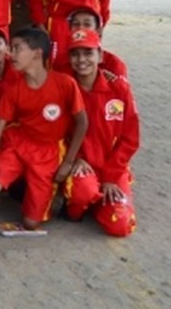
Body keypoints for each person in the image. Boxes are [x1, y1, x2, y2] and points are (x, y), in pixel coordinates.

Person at [0, 28, 88, 231]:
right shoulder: (14, 89)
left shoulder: (65, 84)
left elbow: (82, 122)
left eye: (17, 49)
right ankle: (8, 184)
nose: (10, 54)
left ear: (37, 54)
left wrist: (69, 161)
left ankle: (22, 186)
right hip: (17, 143)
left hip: (48, 152)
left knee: (31, 223)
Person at [62, 29, 139, 237]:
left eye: (88, 53)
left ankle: (100, 199)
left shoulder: (119, 89)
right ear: (69, 58)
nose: (81, 60)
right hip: (81, 164)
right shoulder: (64, 88)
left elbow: (130, 139)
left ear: (100, 55)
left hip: (112, 168)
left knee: (120, 226)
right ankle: (79, 204)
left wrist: (111, 177)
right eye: (75, 54)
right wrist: (75, 158)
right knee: (82, 193)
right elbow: (56, 133)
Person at [56, 6, 128, 77]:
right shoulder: (60, 64)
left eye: (87, 24)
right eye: (76, 24)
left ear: (98, 30)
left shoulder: (114, 65)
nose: (81, 28)